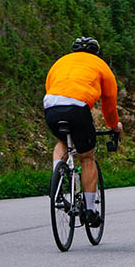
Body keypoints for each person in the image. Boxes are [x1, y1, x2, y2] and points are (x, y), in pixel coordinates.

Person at [43, 37, 121, 228]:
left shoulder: (59, 63)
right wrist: (114, 126)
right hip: (77, 108)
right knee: (86, 157)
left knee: (62, 141)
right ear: (96, 53)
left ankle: (58, 180)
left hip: (51, 106)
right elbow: (109, 105)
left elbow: (50, 88)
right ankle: (89, 209)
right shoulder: (101, 67)